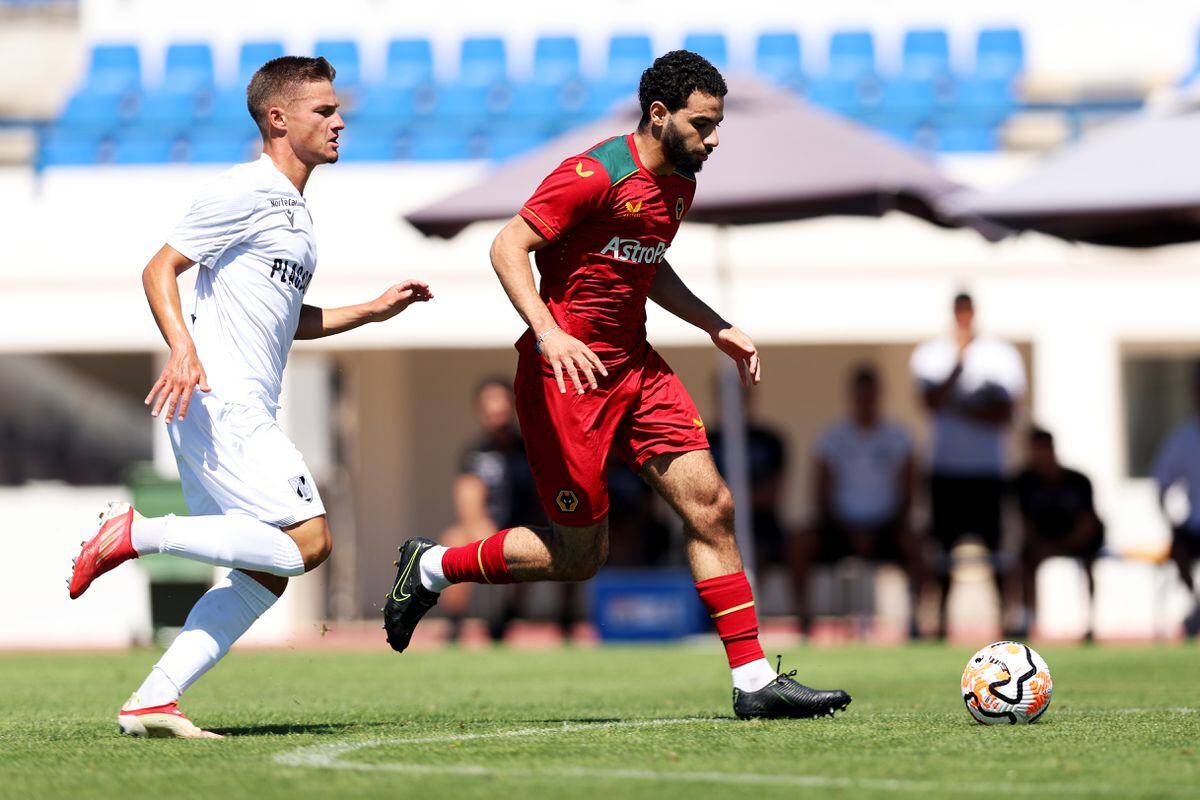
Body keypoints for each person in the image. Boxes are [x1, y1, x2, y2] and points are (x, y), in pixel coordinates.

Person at [383, 50, 850, 720]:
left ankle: (752, 682)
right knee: (579, 557)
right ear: (658, 116)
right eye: (702, 124)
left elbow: (649, 263)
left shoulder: (681, 182)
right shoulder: (591, 174)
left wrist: (715, 325)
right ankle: (430, 568)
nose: (714, 138)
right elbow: (507, 247)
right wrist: (549, 331)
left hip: (635, 368)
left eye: (718, 125)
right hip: (564, 380)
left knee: (712, 506)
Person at [67, 56, 432, 738]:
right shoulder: (245, 190)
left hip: (232, 408)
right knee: (309, 541)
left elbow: (287, 319)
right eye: (323, 110)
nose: (339, 120)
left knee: (263, 576)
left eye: (336, 109)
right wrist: (182, 346)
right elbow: (160, 269)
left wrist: (372, 312)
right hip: (222, 400)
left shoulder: (298, 214)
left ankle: (152, 700)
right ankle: (137, 533)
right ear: (277, 118)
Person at [909, 292, 1025, 639]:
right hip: (946, 469)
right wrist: (958, 364)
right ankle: (938, 621)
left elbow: (1005, 412)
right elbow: (930, 402)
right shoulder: (930, 355)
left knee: (998, 552)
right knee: (941, 551)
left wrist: (961, 409)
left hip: (988, 470)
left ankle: (1009, 619)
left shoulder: (1001, 355)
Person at [793, 365, 923, 638]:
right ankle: (804, 620)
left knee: (917, 545)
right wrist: (848, 528)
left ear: (878, 395)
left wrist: (879, 528)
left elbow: (908, 490)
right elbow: (821, 490)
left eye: (870, 393)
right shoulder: (832, 437)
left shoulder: (898, 437)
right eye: (860, 393)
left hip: (887, 525)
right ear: (852, 395)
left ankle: (916, 619)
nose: (865, 398)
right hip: (840, 526)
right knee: (800, 544)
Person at [437, 377, 570, 643]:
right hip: (485, 529)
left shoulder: (530, 449)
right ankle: (454, 624)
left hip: (526, 527)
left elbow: (544, 497)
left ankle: (561, 623)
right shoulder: (475, 453)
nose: (496, 410)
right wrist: (491, 539)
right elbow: (468, 503)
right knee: (452, 541)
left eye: (501, 402)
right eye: (490, 403)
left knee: (570, 544)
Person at [1011, 427, 1104, 640]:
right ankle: (1028, 618)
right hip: (1043, 541)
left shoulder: (1077, 481)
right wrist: (1042, 544)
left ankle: (1090, 620)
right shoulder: (1024, 482)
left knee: (1089, 560)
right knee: (1023, 559)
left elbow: (1088, 521)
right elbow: (1023, 522)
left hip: (1079, 540)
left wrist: (1070, 542)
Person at [708, 386, 788, 580]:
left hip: (762, 521)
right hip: (716, 521)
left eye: (739, 396)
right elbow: (702, 493)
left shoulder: (770, 441)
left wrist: (730, 496)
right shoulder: (705, 441)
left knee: (756, 548)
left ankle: (751, 605)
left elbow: (772, 494)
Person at [1150, 364, 1200, 638]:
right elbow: (1162, 481)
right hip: (1195, 526)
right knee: (1178, 548)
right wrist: (1169, 520)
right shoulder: (1184, 438)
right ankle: (1197, 604)